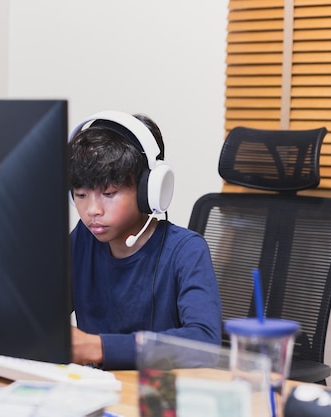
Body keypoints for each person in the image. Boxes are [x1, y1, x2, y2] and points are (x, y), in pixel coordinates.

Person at [68, 110, 222, 370]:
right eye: (81, 194)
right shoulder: (83, 239)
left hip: (160, 394)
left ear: (147, 191)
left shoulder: (185, 250)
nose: (92, 209)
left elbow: (205, 342)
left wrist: (99, 348)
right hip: (96, 388)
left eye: (109, 193)